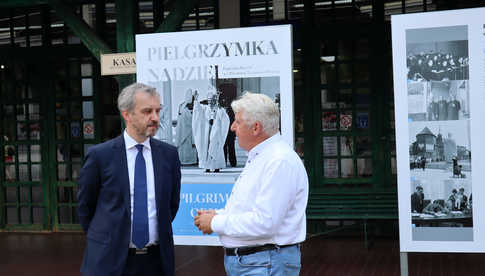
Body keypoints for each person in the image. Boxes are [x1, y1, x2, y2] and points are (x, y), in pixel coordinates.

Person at [194, 92, 309, 276]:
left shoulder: (278, 161)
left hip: (264, 263)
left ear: (256, 128)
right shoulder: (262, 157)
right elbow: (252, 210)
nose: (232, 128)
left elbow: (265, 222)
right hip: (258, 263)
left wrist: (215, 222)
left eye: (237, 122)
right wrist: (219, 214)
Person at [77, 83, 181, 276]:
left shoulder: (169, 155)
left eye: (158, 111)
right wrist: (105, 238)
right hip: (109, 261)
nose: (155, 118)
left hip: (156, 261)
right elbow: (85, 207)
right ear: (127, 114)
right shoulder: (100, 156)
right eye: (147, 111)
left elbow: (171, 206)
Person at [192, 88, 230, 172]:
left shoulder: (219, 109)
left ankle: (216, 166)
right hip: (207, 132)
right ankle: (207, 166)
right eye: (209, 100)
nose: (210, 102)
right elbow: (198, 110)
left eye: (212, 100)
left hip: (216, 133)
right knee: (206, 148)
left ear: (215, 100)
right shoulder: (205, 108)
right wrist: (195, 100)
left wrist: (220, 111)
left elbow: (225, 119)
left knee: (215, 147)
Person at [174, 89, 197, 165]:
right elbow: (187, 121)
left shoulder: (188, 107)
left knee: (190, 147)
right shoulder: (183, 108)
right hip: (185, 131)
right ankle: (185, 161)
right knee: (185, 148)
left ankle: (191, 161)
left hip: (189, 132)